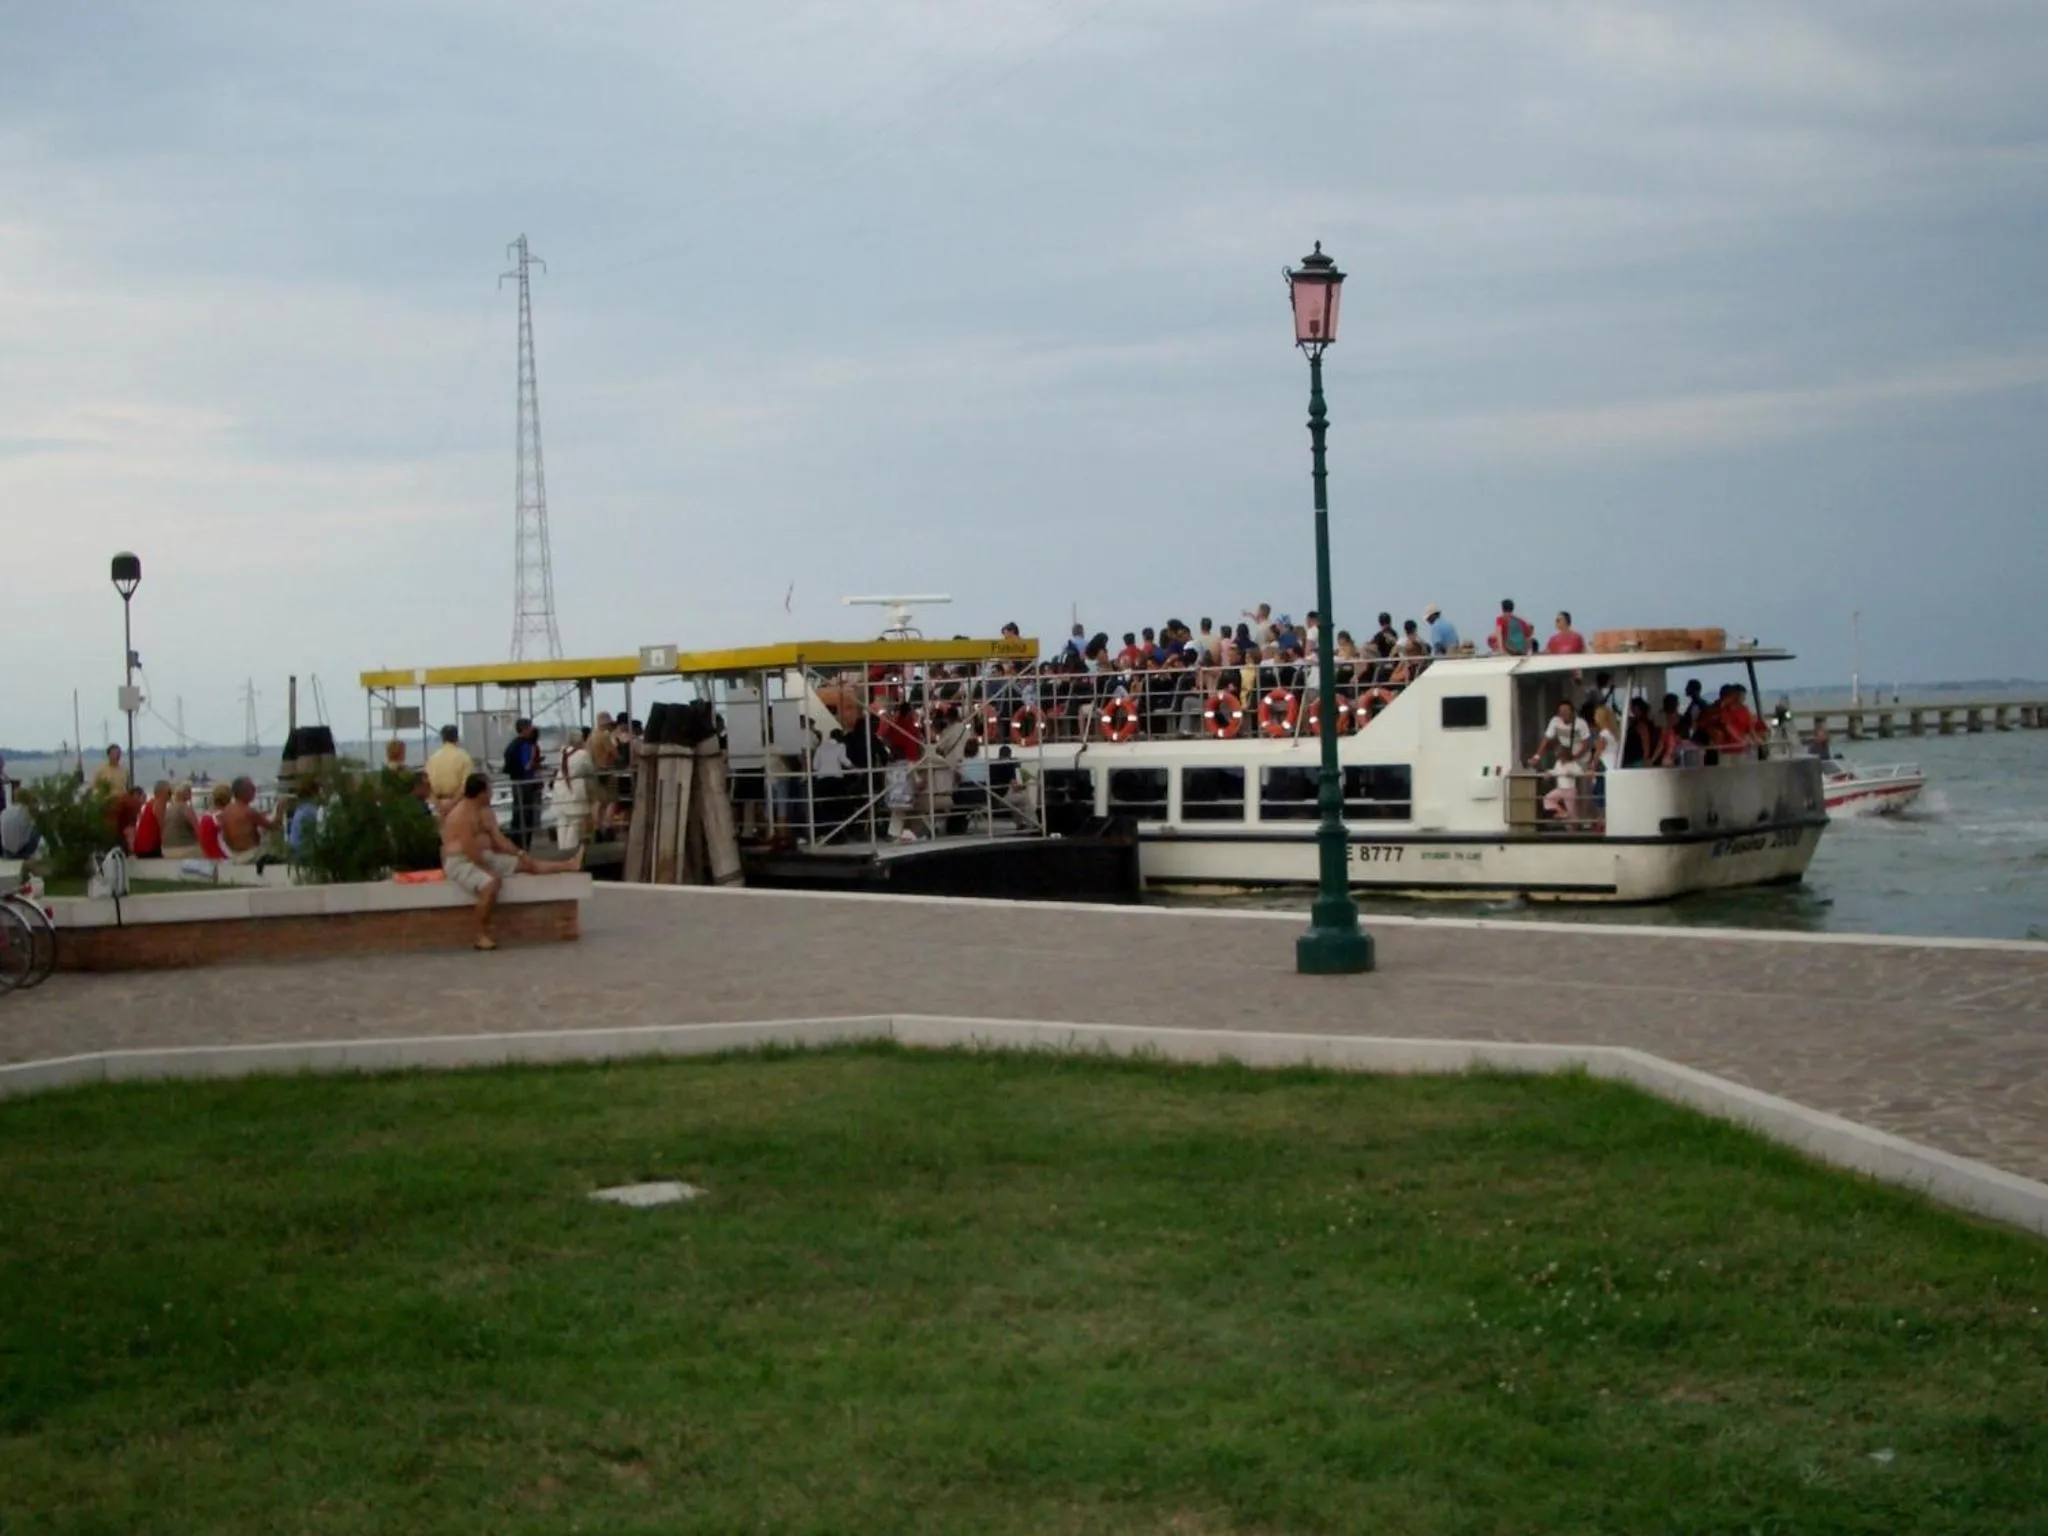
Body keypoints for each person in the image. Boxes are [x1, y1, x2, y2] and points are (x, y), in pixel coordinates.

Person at [440, 772, 581, 950]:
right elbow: (469, 850)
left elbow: (499, 840)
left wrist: (520, 853)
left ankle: (569, 865)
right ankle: (480, 934)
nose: (492, 793)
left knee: (527, 865)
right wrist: (486, 869)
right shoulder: (461, 816)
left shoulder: (483, 812)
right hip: (461, 862)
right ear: (482, 793)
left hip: (482, 856)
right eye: (490, 790)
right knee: (491, 884)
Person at [1529, 701, 1591, 821]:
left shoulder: (1580, 723)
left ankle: (1585, 822)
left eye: (1566, 711)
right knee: (1558, 792)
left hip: (1580, 759)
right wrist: (1537, 757)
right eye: (1561, 712)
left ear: (1573, 712)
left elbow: (1585, 745)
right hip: (1566, 758)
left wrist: (1572, 759)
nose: (1563, 714)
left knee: (1583, 793)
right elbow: (1546, 740)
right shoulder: (1555, 721)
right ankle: (1569, 818)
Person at [502, 717, 541, 848]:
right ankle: (523, 844)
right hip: (524, 783)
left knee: (519, 814)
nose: (532, 730)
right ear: (524, 729)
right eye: (530, 727)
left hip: (518, 782)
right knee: (525, 814)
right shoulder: (524, 745)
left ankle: (519, 843)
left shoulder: (514, 745)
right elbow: (527, 765)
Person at [219, 777, 276, 863]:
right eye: (251, 788)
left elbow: (225, 837)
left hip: (234, 854)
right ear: (243, 792)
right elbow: (274, 826)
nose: (254, 790)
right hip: (250, 855)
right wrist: (279, 809)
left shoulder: (226, 811)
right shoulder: (248, 811)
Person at [426, 725, 474, 816]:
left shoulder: (432, 758)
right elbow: (466, 785)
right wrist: (452, 803)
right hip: (458, 805)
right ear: (457, 738)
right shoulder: (464, 757)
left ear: (442, 738)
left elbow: (427, 784)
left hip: (438, 806)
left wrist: (438, 804)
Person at [130, 781, 171, 859]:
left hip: (141, 846)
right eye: (169, 792)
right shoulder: (159, 805)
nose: (170, 795)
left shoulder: (150, 804)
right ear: (161, 792)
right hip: (150, 847)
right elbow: (163, 828)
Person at [0, 788, 39, 860]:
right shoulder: (26, 811)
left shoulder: (5, 811)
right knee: (37, 828)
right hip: (21, 853)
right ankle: (28, 855)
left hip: (6, 852)